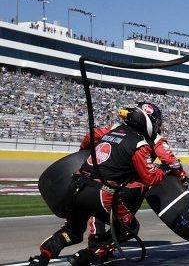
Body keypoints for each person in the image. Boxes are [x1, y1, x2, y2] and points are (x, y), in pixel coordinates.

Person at [28, 103, 179, 266]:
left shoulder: (111, 131)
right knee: (130, 227)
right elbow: (150, 178)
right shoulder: (140, 144)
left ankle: (41, 258)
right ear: (148, 122)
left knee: (72, 232)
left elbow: (88, 139)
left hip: (76, 187)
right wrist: (165, 168)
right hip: (101, 194)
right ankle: (89, 254)